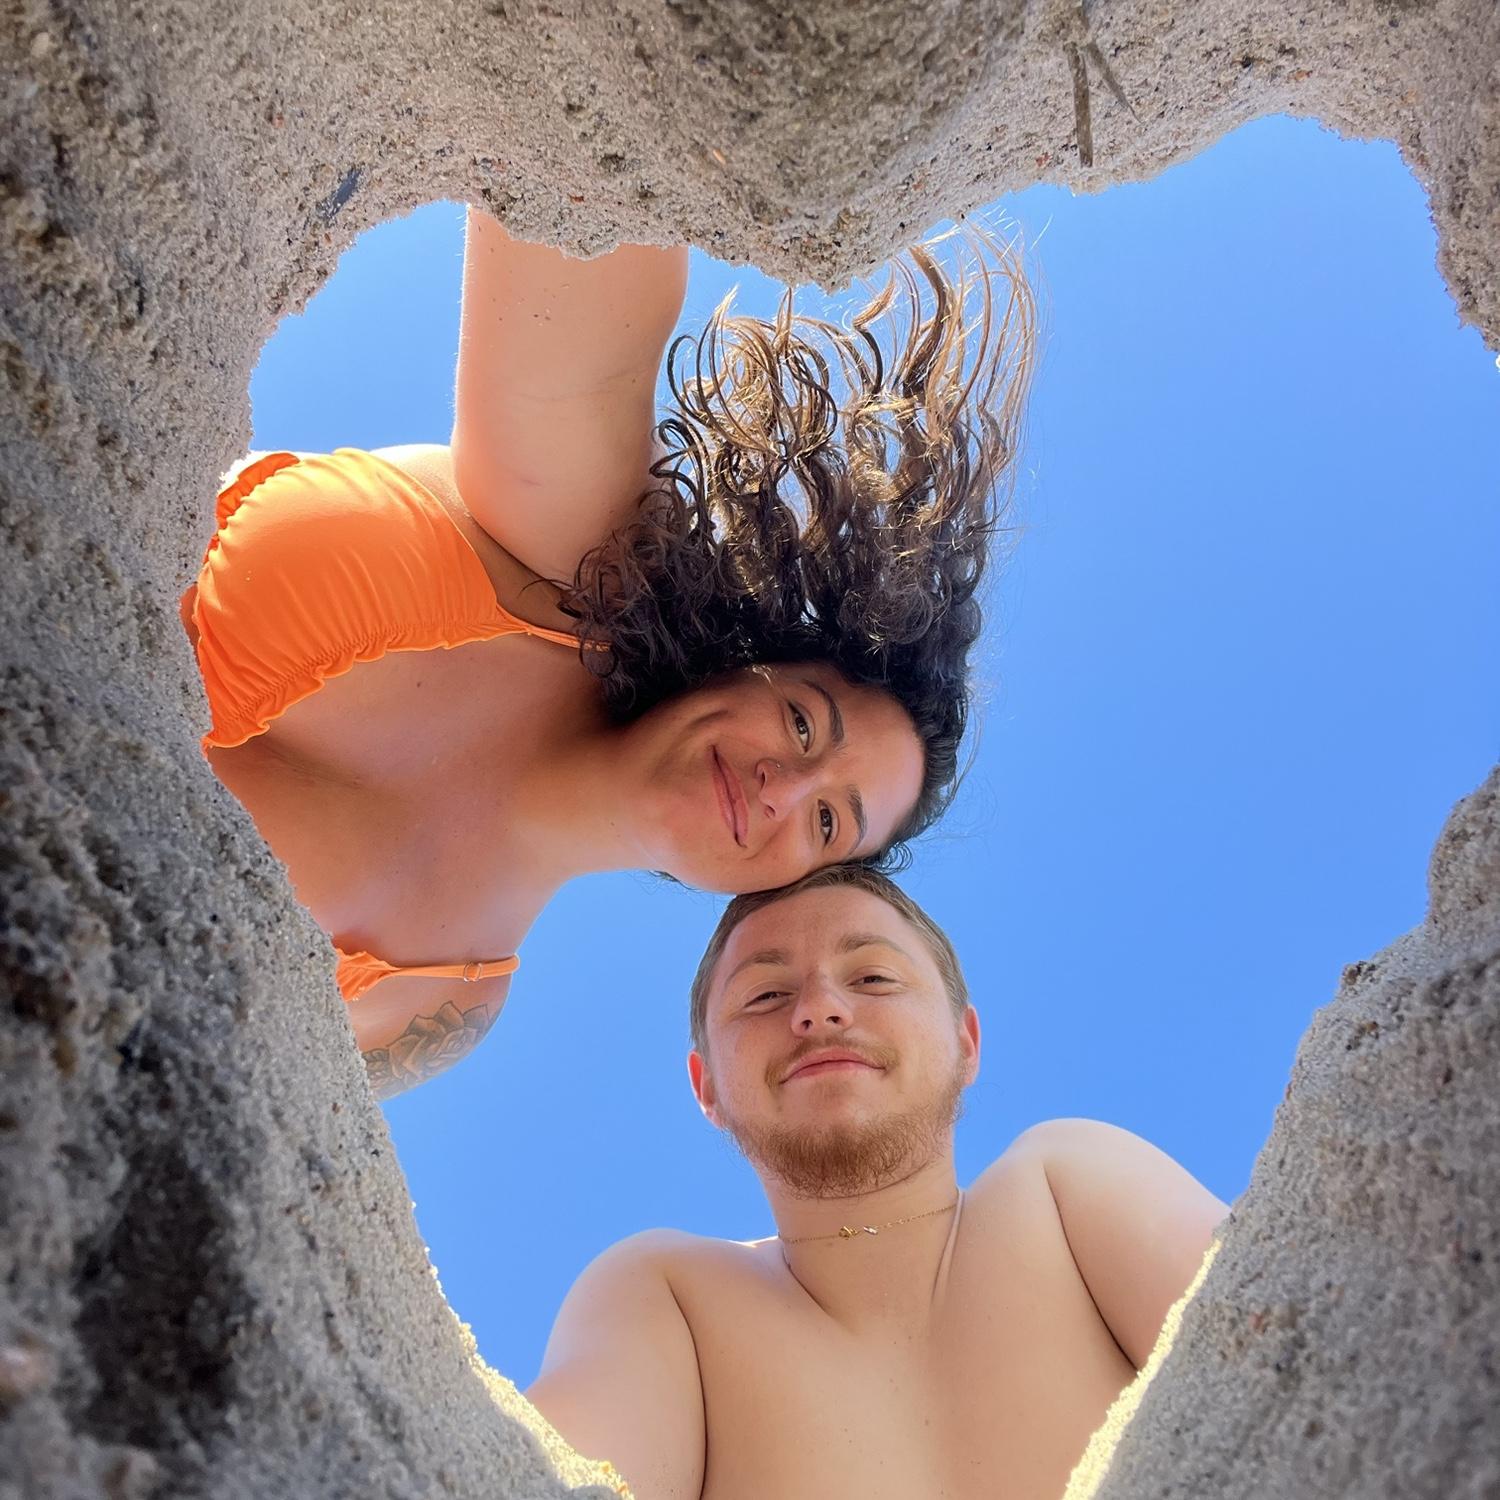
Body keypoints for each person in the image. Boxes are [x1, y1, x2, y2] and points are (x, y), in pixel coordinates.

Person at [183, 208, 1036, 1098]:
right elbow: (587, 195)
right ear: (752, 669)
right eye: (801, 723)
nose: (781, 787)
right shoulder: (580, 560)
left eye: (828, 823)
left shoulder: (439, 1007)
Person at [526, 864, 1227, 1500]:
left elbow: (1281, 1330)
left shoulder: (1061, 1188)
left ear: (966, 1041)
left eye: (872, 979)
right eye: (766, 994)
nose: (820, 1010)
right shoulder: (672, 1297)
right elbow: (544, 1474)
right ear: (706, 1087)